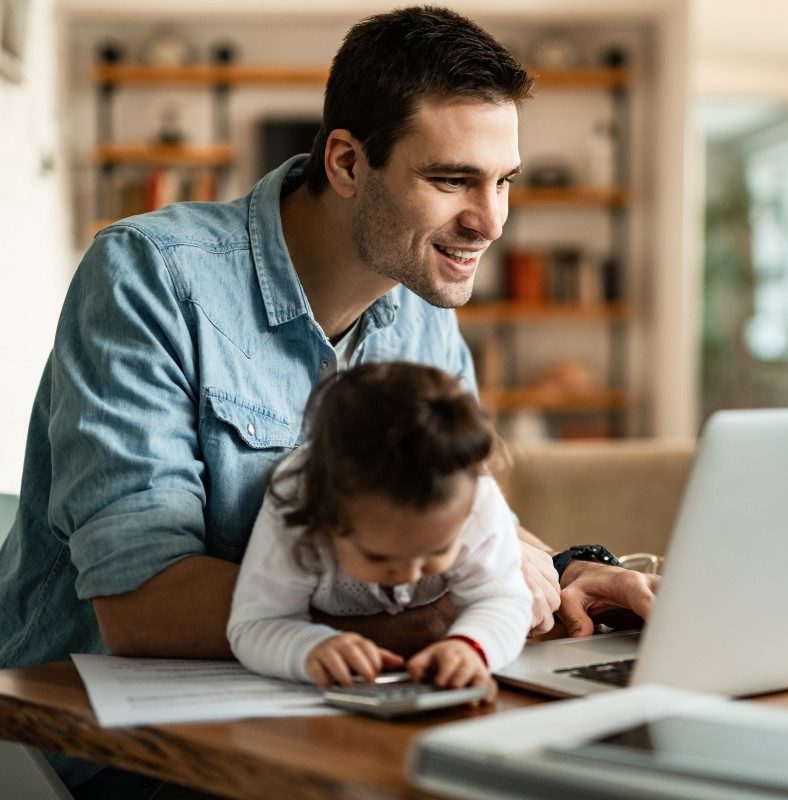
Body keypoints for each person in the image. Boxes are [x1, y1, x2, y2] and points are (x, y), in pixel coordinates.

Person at [0, 5, 658, 792]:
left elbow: (444, 521)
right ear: (346, 163)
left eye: (502, 181)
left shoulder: (423, 310)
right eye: (452, 180)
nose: (490, 221)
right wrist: (434, 621)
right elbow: (139, 607)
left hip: (336, 711)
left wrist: (563, 574)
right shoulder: (152, 277)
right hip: (117, 743)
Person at [228, 361, 532, 699]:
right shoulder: (296, 501)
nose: (408, 574)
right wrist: (309, 648)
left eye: (436, 552)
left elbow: (503, 598)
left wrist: (471, 646)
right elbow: (254, 623)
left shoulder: (475, 495)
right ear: (327, 516)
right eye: (378, 556)